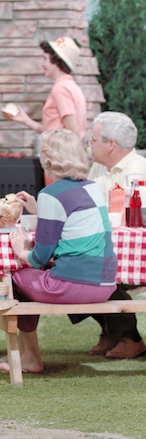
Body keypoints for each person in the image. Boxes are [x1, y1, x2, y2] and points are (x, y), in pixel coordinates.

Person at [2, 129, 118, 374]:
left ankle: (30, 357)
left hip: (73, 285)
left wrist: (22, 252)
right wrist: (39, 207)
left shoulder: (51, 194)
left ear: (47, 159)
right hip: (106, 285)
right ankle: (24, 354)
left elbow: (40, 258)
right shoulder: (93, 188)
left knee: (14, 280)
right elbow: (70, 218)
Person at [80, 111, 146, 358]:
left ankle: (130, 338)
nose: (89, 145)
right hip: (102, 245)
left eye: (94, 140)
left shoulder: (139, 170)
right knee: (67, 266)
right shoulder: (98, 166)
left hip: (133, 255)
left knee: (93, 270)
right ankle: (111, 331)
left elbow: (135, 221)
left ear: (111, 145)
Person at [2, 36, 86, 139]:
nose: (42, 64)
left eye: (45, 59)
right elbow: (51, 132)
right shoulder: (72, 86)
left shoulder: (61, 88)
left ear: (56, 60)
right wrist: (26, 120)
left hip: (61, 155)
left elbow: (73, 132)